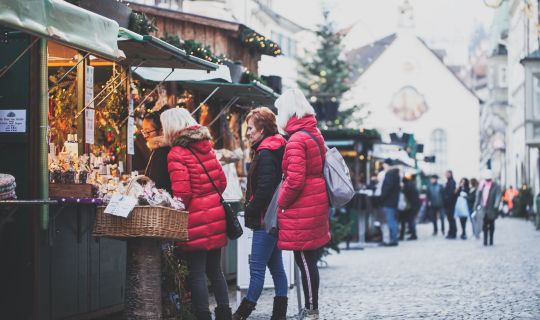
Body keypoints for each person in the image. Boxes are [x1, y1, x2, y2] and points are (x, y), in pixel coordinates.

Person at [161, 108, 231, 320]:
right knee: (216, 271)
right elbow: (222, 182)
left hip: (195, 220)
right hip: (216, 217)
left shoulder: (176, 154)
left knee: (197, 272)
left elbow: (183, 194)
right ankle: (225, 314)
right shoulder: (206, 147)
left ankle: (203, 316)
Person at [274, 89, 330, 320]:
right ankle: (311, 307)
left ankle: (311, 310)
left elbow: (295, 179)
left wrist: (281, 201)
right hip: (315, 200)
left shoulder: (297, 139)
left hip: (303, 205)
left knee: (304, 259)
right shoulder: (313, 133)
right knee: (308, 259)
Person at [233, 107, 288, 320]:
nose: (247, 132)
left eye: (250, 128)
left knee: (256, 269)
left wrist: (250, 209)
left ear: (263, 129)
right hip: (273, 218)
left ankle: (241, 314)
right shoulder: (274, 148)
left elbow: (265, 189)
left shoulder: (266, 153)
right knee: (277, 268)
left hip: (266, 219)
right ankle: (279, 315)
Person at [141, 106, 172, 193]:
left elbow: (156, 183)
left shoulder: (162, 151)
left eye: (148, 131)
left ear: (161, 131)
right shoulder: (157, 149)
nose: (145, 136)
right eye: (143, 132)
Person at [473, 169, 502, 246]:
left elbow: (498, 196)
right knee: (484, 224)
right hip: (484, 208)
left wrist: (496, 205)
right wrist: (476, 206)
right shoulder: (482, 185)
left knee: (491, 223)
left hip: (492, 208)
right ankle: (485, 240)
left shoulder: (495, 185)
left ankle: (491, 240)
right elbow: (478, 196)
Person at [379, 158, 401, 246]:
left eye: (384, 164)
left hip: (389, 201)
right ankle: (394, 239)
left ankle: (394, 240)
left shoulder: (390, 174)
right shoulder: (396, 174)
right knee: (393, 220)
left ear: (387, 164)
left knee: (390, 220)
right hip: (393, 200)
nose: (383, 165)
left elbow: (387, 188)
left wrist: (382, 197)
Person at [400, 173, 420, 240]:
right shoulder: (412, 185)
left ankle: (412, 235)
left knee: (408, 220)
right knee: (411, 220)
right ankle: (413, 234)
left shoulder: (407, 186)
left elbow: (406, 196)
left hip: (409, 206)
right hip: (413, 205)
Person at [443, 170, 458, 239]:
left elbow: (451, 194)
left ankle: (453, 233)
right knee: (450, 219)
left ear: (450, 174)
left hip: (451, 204)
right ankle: (451, 232)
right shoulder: (448, 182)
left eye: (447, 174)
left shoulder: (452, 182)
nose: (446, 175)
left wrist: (446, 198)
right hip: (448, 204)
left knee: (451, 219)